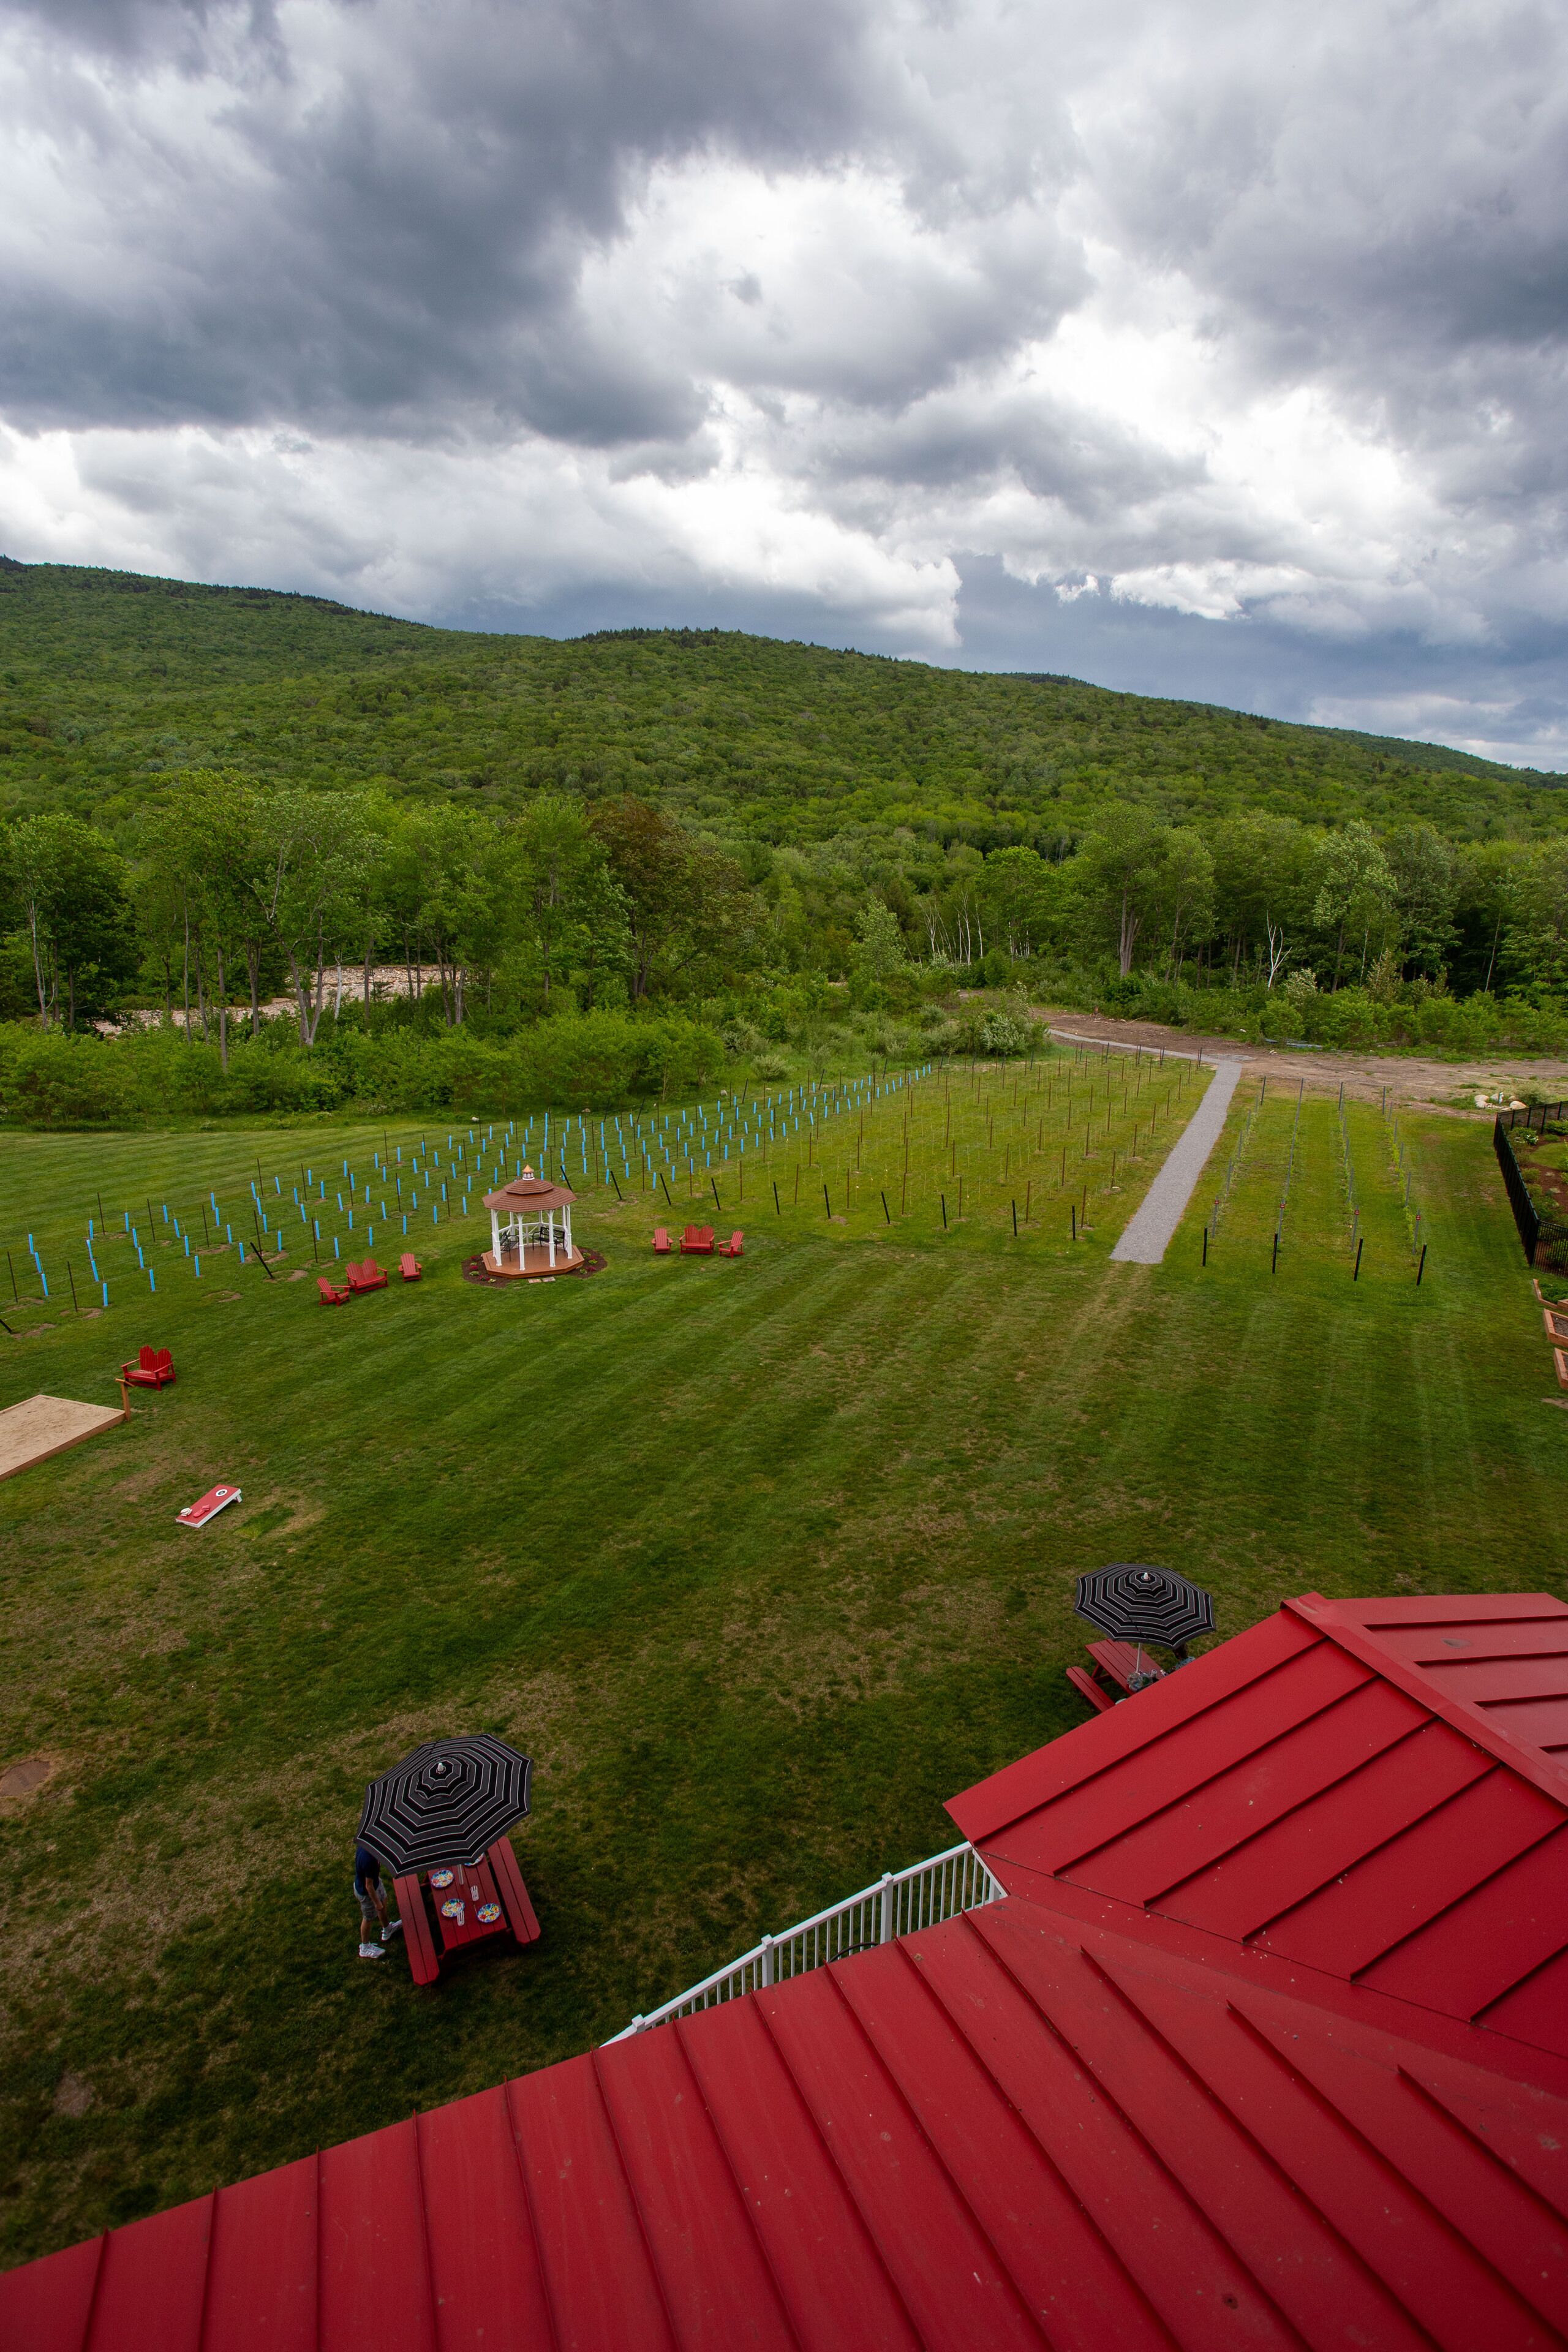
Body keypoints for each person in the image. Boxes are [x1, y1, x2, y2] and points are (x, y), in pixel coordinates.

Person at [354, 1842, 403, 1961]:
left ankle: (387, 1929)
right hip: (367, 1893)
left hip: (375, 1884)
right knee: (368, 1917)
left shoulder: (366, 1846)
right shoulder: (369, 1860)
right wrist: (376, 1903)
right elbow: (368, 1886)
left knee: (384, 1900)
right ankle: (365, 1948)